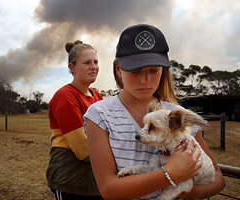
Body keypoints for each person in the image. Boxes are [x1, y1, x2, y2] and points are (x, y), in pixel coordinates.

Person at [84, 24, 225, 200]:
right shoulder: (99, 115)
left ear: (163, 70)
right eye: (135, 71)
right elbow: (109, 190)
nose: (146, 80)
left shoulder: (177, 116)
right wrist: (171, 174)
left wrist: (189, 189)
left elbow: (218, 179)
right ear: (119, 69)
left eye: (153, 70)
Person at [46, 40, 104, 200]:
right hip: (70, 176)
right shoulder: (65, 96)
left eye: (96, 62)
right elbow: (83, 149)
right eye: (87, 63)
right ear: (72, 67)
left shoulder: (97, 95)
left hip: (93, 178)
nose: (94, 67)